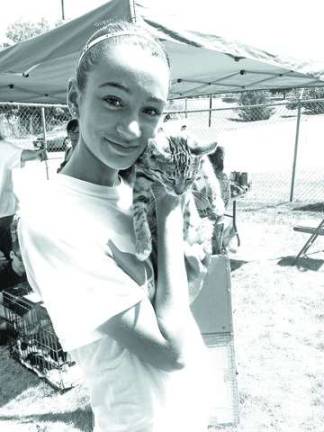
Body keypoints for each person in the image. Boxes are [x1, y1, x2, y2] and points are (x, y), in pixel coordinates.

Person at [17, 21, 212, 432]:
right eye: (112, 100)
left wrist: (186, 262)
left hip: (188, 415)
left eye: (151, 110)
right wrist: (170, 207)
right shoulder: (52, 217)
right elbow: (169, 350)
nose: (131, 129)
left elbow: (178, 299)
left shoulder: (131, 192)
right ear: (75, 98)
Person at [0, 134, 46, 263]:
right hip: (5, 212)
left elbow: (21, 154)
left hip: (3, 214)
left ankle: (13, 267)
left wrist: (36, 154)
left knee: (8, 256)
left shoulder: (2, 149)